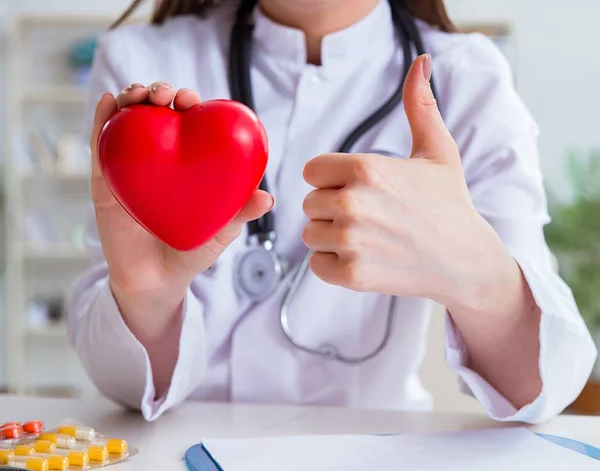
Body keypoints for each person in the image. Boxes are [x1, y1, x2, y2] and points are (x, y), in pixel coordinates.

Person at [67, 0, 597, 423]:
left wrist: (478, 274)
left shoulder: (467, 76)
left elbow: (547, 383)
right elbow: (123, 388)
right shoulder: (140, 64)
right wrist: (144, 295)